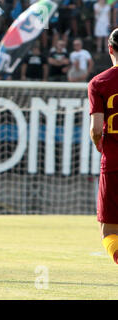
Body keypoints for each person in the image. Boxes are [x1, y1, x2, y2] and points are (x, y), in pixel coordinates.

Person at [89, 28, 118, 265]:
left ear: (110, 49)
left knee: (109, 230)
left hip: (114, 162)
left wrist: (101, 146)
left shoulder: (99, 82)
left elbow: (96, 128)